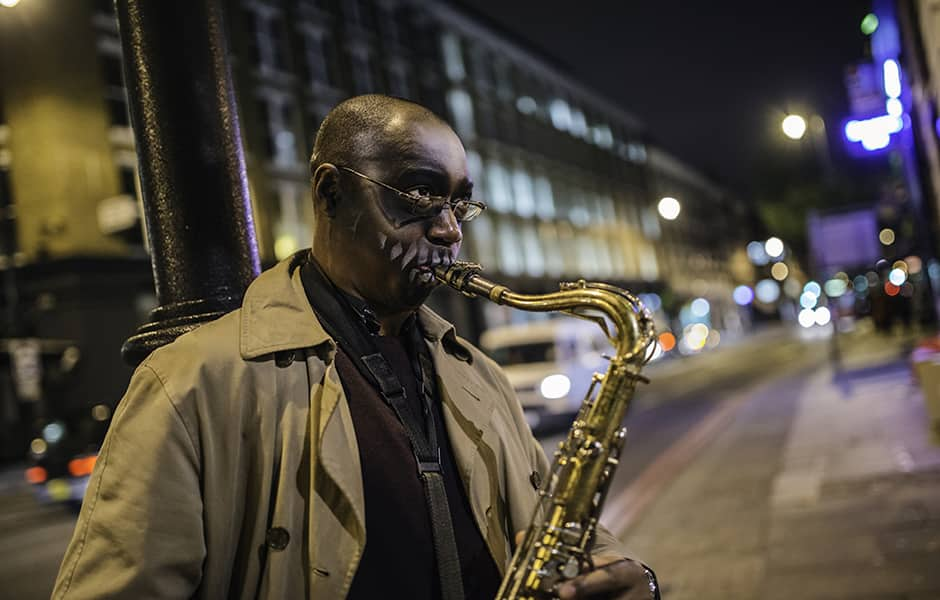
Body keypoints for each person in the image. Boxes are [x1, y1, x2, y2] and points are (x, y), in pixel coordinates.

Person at [52, 95, 658, 599]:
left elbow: (557, 530)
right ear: (329, 194)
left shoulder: (479, 375)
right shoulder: (188, 381)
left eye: (459, 203)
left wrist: (625, 575)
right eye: (420, 195)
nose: (449, 230)